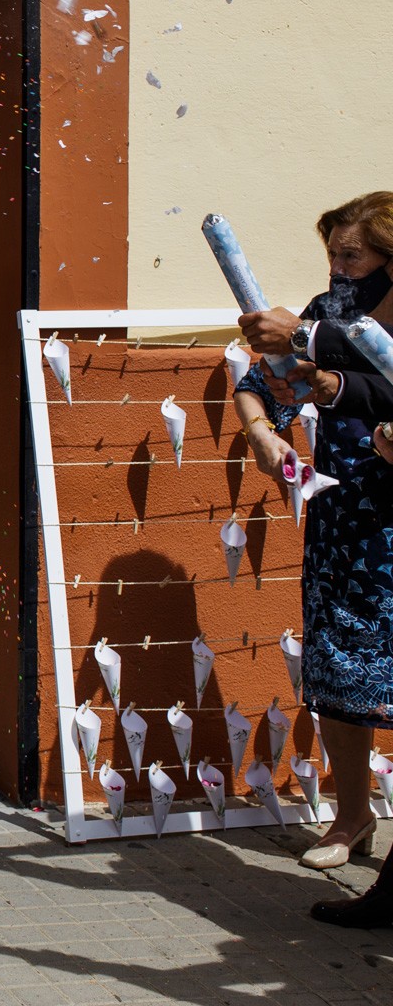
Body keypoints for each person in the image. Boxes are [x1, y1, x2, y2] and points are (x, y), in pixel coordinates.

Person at [233, 191, 393, 883]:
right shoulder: (325, 315)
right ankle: (351, 814)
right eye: (331, 255)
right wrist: (264, 433)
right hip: (341, 515)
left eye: (351, 256)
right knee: (335, 676)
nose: (338, 269)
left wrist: (322, 373)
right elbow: (259, 382)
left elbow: (357, 378)